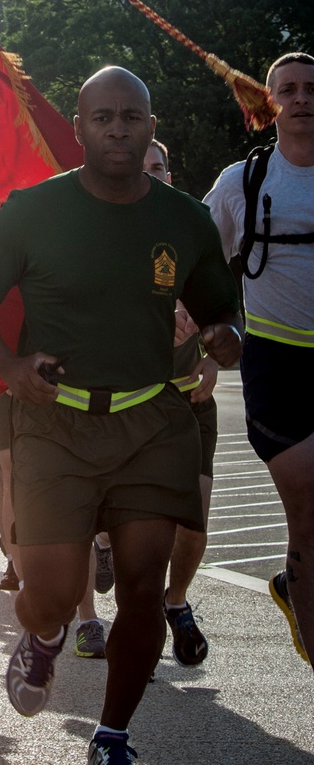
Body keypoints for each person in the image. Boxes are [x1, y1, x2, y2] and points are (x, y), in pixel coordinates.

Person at [0, 66, 241, 765]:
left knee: (142, 584)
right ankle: (44, 633)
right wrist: (9, 366)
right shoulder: (34, 210)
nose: (119, 129)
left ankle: (113, 737)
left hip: (152, 418)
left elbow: (216, 310)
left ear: (151, 125)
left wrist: (222, 336)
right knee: (48, 589)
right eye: (104, 117)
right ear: (79, 127)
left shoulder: (184, 218)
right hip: (56, 421)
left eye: (132, 117)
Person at [204, 52, 314, 671]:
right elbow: (195, 259)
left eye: (311, 88)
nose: (301, 98)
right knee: (309, 511)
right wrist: (203, 327)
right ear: (266, 103)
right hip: (277, 368)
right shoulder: (242, 183)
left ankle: (292, 587)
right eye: (288, 90)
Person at [144, 137, 219, 666]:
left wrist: (213, 355)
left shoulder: (192, 226)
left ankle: (175, 603)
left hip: (193, 398)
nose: (152, 173)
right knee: (140, 526)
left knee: (194, 520)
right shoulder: (108, 229)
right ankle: (141, 628)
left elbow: (224, 307)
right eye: (144, 165)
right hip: (135, 402)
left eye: (160, 166)